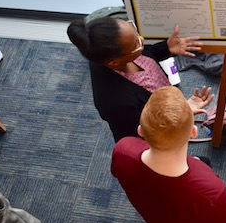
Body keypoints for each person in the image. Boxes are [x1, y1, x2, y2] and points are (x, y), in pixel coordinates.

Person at [111, 86, 226, 223]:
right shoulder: (211, 192)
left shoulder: (123, 150)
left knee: (202, 161)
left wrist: (178, 115)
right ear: (194, 132)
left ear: (140, 131)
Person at [67, 17, 214, 142]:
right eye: (135, 43)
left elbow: (147, 54)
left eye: (136, 34)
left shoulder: (122, 53)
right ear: (114, 62)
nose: (142, 40)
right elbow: (149, 131)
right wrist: (183, 112)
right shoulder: (117, 104)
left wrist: (166, 48)